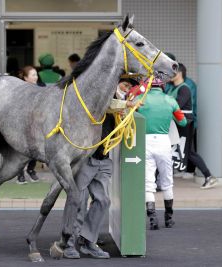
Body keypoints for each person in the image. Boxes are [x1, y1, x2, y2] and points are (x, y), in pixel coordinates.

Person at [63, 81, 137, 259]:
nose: (126, 89)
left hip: (104, 158)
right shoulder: (99, 95)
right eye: (125, 85)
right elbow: (107, 105)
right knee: (78, 200)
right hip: (86, 157)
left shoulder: (122, 100)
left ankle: (87, 240)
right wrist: (125, 104)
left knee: (103, 200)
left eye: (129, 87)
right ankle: (68, 243)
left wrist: (126, 105)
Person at [136, 78, 187, 230]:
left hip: (145, 142)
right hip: (164, 141)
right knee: (167, 180)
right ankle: (169, 218)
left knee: (148, 182)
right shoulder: (170, 100)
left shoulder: (140, 99)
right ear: (163, 86)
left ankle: (152, 219)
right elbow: (183, 122)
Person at [167, 63, 218, 189]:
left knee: (188, 152)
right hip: (179, 124)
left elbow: (177, 105)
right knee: (182, 150)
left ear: (179, 73)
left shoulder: (184, 88)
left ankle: (209, 176)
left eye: (173, 71)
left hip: (185, 124)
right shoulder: (174, 88)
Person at [16, 66, 44, 184]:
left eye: (36, 74)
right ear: (26, 78)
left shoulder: (40, 89)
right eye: (33, 75)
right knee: (22, 150)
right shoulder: (20, 90)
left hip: (36, 124)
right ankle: (20, 173)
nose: (36, 77)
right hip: (22, 124)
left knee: (35, 148)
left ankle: (31, 169)